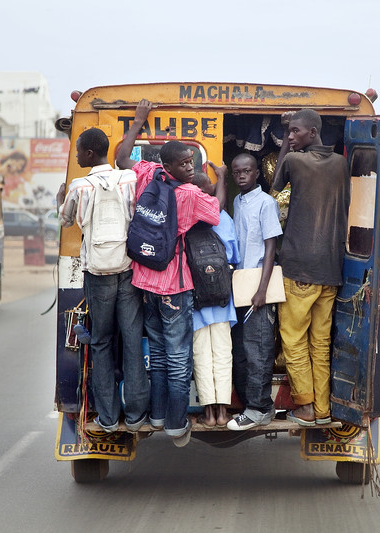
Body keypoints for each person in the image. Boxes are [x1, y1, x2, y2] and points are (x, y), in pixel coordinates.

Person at [115, 99, 224, 447]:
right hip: (174, 288)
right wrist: (218, 180)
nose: (190, 167)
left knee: (158, 353)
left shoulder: (148, 174)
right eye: (184, 163)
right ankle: (177, 425)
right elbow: (216, 214)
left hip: (144, 281)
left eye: (191, 162)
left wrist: (137, 122)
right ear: (169, 164)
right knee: (178, 358)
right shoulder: (190, 194)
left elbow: (121, 159)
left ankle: (158, 415)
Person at [57, 127, 149, 434]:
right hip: (128, 269)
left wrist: (60, 200)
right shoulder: (129, 179)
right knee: (133, 341)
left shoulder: (79, 186)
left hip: (98, 275)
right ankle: (136, 416)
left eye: (79, 151)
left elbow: (67, 220)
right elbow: (137, 215)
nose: (77, 155)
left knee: (101, 343)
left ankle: (108, 418)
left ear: (89, 153)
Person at [271, 109, 350, 427]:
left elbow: (276, 187)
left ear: (313, 132)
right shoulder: (342, 164)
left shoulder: (294, 160)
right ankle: (323, 408)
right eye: (288, 132)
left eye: (294, 131)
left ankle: (305, 405)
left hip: (299, 266)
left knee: (292, 339)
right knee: (320, 342)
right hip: (330, 269)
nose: (289, 137)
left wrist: (284, 149)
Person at [227, 154, 283, 431]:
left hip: (258, 285)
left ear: (257, 173)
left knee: (258, 349)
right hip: (240, 283)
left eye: (246, 171)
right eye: (236, 172)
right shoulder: (238, 201)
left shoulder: (266, 203)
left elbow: (270, 247)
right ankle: (258, 404)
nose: (241, 176)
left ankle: (258, 409)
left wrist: (262, 290)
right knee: (241, 350)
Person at [189, 172, 239, 428]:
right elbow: (234, 256)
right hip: (221, 299)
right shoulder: (224, 218)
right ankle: (223, 413)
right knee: (222, 354)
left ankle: (207, 414)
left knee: (201, 356)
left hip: (196, 301)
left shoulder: (185, 218)